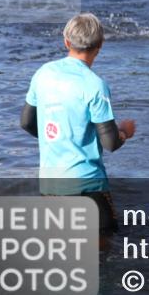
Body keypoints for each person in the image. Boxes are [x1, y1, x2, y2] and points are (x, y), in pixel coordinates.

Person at [20, 13, 136, 246]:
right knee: (103, 253)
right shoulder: (94, 85)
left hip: (51, 183)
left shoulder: (43, 73)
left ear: (66, 42)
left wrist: (57, 138)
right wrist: (125, 131)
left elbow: (26, 123)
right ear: (100, 45)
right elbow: (110, 143)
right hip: (87, 185)